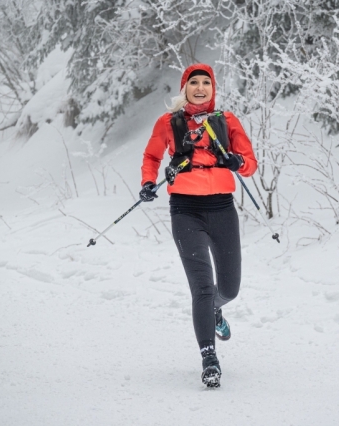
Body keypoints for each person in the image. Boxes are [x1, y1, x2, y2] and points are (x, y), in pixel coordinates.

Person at [139, 63, 257, 388]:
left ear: (213, 88)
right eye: (194, 83)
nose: (200, 87)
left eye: (206, 82)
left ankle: (215, 312)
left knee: (229, 289)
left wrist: (237, 162)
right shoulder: (168, 123)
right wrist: (148, 182)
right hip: (185, 211)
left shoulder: (226, 121)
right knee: (202, 288)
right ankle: (210, 359)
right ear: (185, 88)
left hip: (222, 209)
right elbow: (151, 158)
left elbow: (250, 163)